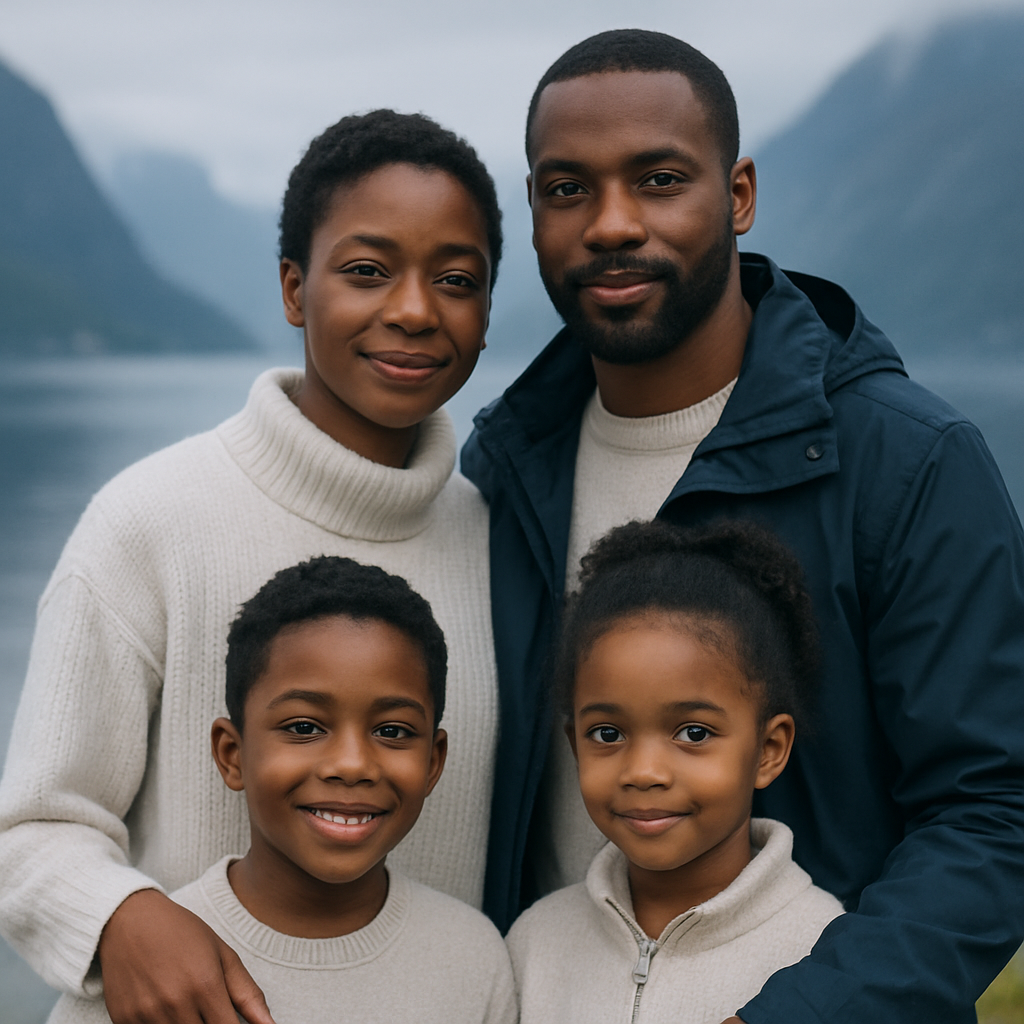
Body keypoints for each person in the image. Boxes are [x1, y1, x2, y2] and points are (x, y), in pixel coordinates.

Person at [462, 28, 1024, 1023]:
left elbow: (995, 814)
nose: (611, 223)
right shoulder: (503, 470)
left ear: (739, 195)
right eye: (567, 189)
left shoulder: (910, 463)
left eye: (659, 179)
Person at [0, 109, 503, 1024]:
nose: (414, 309)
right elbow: (32, 827)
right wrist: (121, 916)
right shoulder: (148, 521)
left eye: (457, 280)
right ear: (293, 288)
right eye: (366, 270)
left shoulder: (498, 544)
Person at [45, 555, 518, 1024]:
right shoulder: (149, 974)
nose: (352, 765)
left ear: (433, 762)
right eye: (304, 727)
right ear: (232, 754)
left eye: (392, 731)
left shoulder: (474, 960)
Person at [507, 520, 844, 1022]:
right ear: (575, 746)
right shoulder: (536, 941)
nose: (644, 772)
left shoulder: (824, 949)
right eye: (608, 734)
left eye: (693, 733)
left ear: (768, 750)